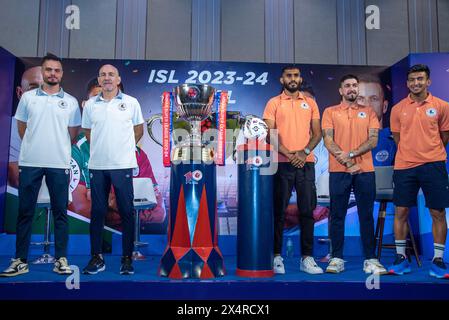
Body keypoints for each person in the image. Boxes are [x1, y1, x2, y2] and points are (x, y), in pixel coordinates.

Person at [0, 53, 81, 277]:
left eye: (56, 70)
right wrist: (36, 146)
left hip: (59, 164)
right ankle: (20, 261)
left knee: (60, 214)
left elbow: (72, 134)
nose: (52, 74)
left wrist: (55, 145)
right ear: (44, 71)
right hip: (31, 162)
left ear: (61, 74)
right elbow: (22, 128)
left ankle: (61, 260)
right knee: (25, 212)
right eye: (48, 70)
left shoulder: (71, 102)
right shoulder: (27, 99)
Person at [81, 64, 144, 275]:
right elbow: (88, 132)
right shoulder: (90, 105)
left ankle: (127, 259)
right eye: (103, 75)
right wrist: (103, 151)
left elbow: (138, 130)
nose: (107, 78)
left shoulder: (131, 102)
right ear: (99, 80)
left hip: (122, 165)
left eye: (111, 75)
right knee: (98, 212)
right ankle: (96, 258)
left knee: (126, 211)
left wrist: (121, 151)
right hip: (97, 166)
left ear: (118, 80)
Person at [387, 64, 449, 278]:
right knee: (401, 212)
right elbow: (397, 139)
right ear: (407, 83)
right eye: (412, 80)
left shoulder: (442, 106)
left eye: (420, 79)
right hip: (404, 166)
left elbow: (444, 136)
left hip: (434, 165)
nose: (416, 83)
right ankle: (401, 258)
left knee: (438, 213)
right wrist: (412, 152)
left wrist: (428, 151)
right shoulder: (397, 109)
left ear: (428, 81)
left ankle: (438, 260)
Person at [322, 74, 387, 274]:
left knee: (366, 215)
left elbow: (373, 141)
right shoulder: (330, 111)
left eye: (354, 86)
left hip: (364, 171)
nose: (352, 89)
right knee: (337, 215)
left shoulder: (369, 113)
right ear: (341, 90)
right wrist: (349, 162)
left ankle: (370, 259)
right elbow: (328, 141)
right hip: (339, 171)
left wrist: (350, 154)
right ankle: (337, 258)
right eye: (348, 86)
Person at [263, 65, 323, 275]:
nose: (292, 78)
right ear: (282, 80)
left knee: (307, 211)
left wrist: (303, 152)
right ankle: (276, 256)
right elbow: (270, 134)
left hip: (306, 163)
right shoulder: (273, 103)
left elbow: (317, 133)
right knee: (278, 211)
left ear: (300, 78)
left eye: (296, 75)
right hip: (281, 163)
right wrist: (290, 154)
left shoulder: (311, 103)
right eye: (289, 75)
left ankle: (307, 258)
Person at [8, 66, 44, 188]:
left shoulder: (63, 127)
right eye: (33, 88)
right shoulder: (8, 129)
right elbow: (18, 179)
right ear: (20, 93)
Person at [357, 75, 396, 166]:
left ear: (384, 106)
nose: (367, 105)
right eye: (360, 99)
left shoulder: (397, 141)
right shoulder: (341, 140)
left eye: (374, 99)